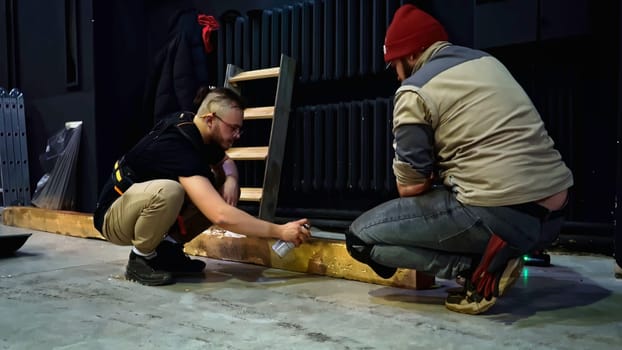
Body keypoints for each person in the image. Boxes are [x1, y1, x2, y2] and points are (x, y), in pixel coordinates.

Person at [345, 4, 573, 315]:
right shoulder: (487, 62)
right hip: (552, 217)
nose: (396, 75)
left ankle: (476, 270)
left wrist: (430, 173)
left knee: (360, 240)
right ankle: (503, 252)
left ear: (411, 56)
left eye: (394, 65)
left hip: (500, 214)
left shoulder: (414, 90)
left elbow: (409, 188)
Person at [94, 87, 311, 286]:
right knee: (170, 191)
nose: (237, 136)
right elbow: (221, 216)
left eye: (239, 130)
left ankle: (167, 251)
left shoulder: (197, 132)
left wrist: (231, 180)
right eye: (233, 128)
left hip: (137, 208)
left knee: (218, 184)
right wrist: (280, 231)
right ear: (210, 119)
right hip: (113, 215)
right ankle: (140, 258)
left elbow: (226, 163)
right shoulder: (179, 145)